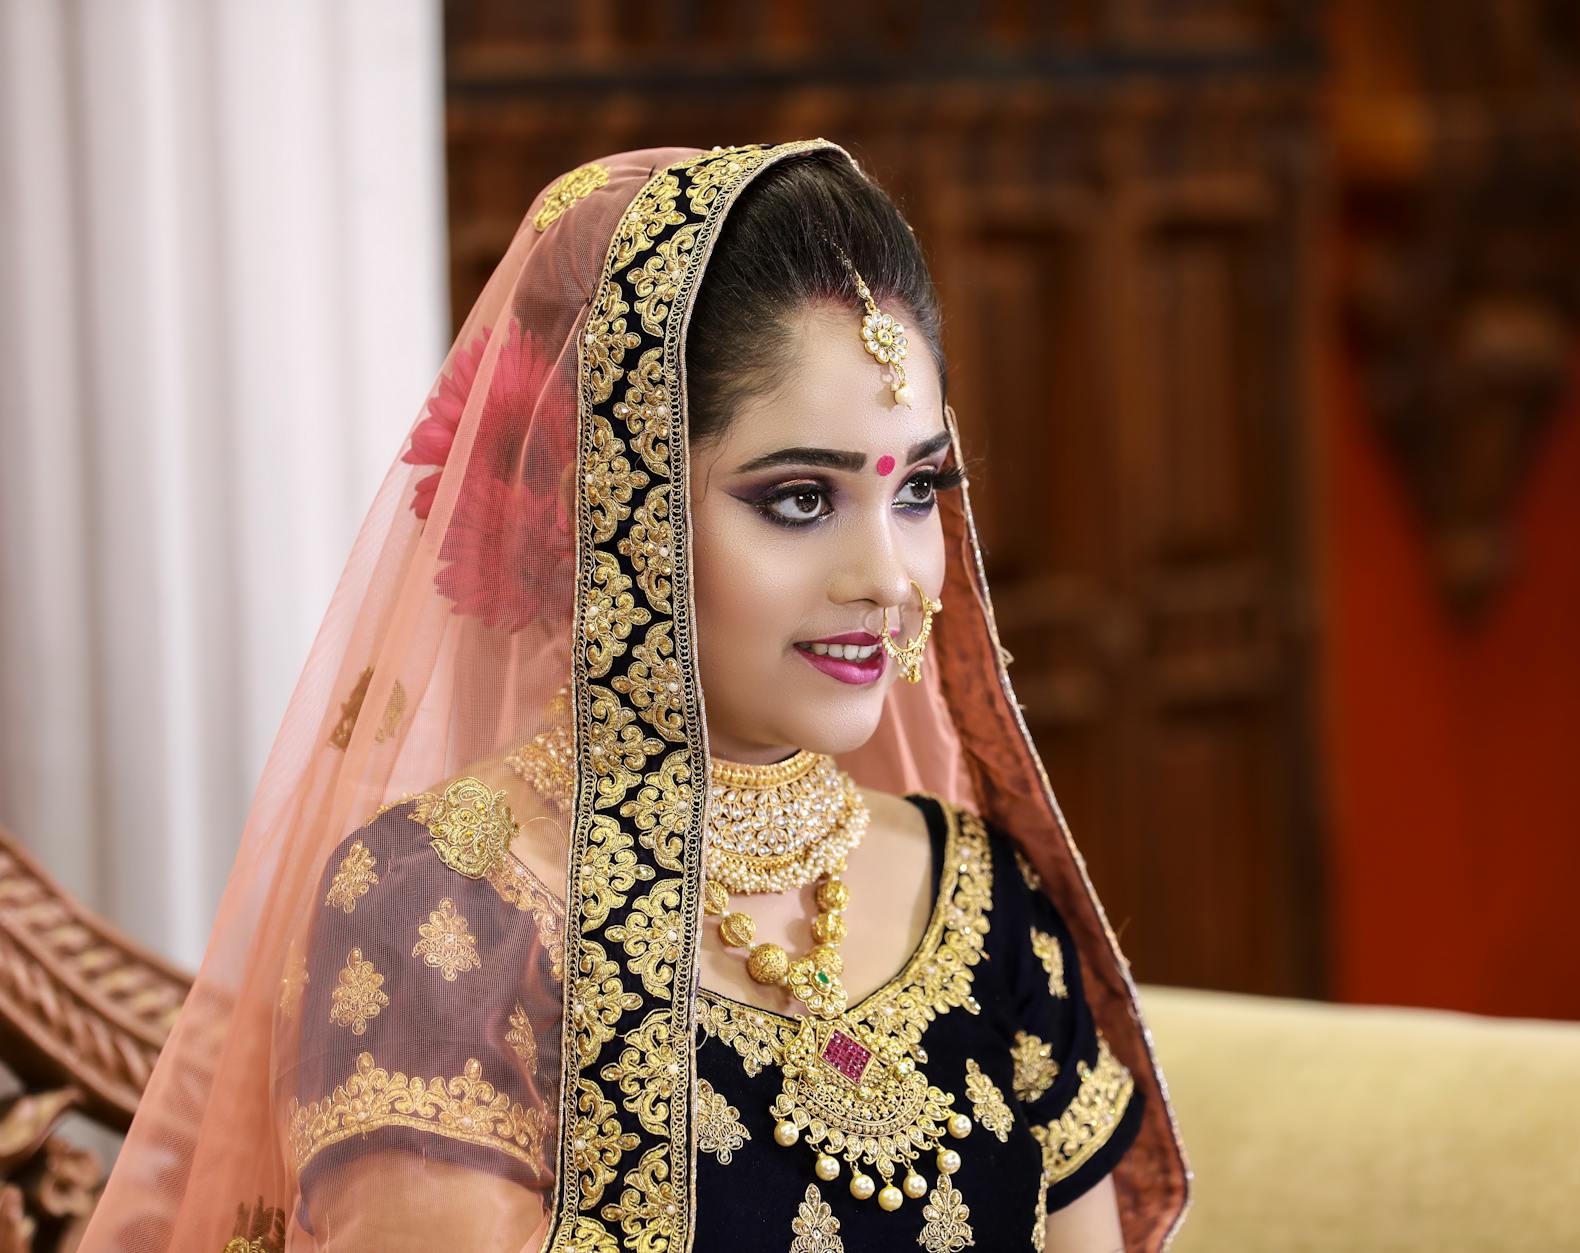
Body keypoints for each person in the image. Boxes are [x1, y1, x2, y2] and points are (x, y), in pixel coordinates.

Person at [80, 140, 1188, 1252]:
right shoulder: (446, 910)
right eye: (800, 499)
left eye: (915, 490)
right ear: (612, 506)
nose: (891, 578)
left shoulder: (979, 897)